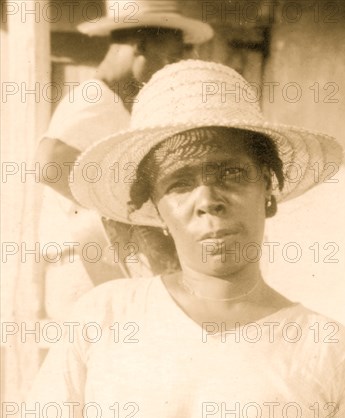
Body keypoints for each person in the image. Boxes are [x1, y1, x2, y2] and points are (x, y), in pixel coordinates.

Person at [3, 61, 345, 418]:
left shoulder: (325, 347)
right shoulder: (104, 319)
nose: (208, 199)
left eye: (231, 173)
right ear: (156, 210)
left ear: (268, 191)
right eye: (179, 183)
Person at [37, 0, 213, 319]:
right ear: (138, 45)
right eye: (169, 59)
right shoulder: (93, 97)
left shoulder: (121, 104)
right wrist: (125, 211)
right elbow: (50, 164)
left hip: (104, 267)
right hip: (82, 266)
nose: (168, 73)